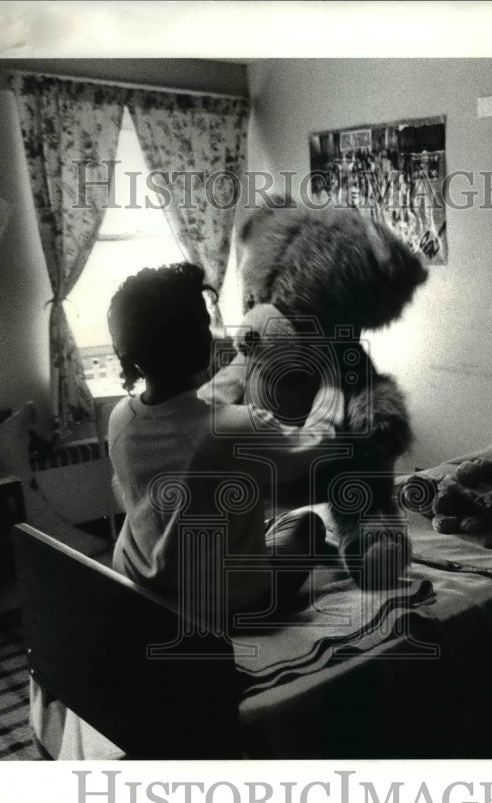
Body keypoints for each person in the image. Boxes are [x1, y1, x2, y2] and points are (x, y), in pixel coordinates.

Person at [105, 262, 345, 629]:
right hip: (223, 606)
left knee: (253, 519)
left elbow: (196, 405)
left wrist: (248, 356)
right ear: (197, 341)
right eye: (205, 322)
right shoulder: (232, 427)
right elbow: (315, 448)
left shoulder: (121, 417)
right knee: (306, 526)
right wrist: (333, 382)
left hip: (144, 583)